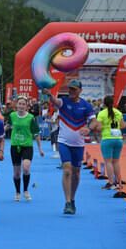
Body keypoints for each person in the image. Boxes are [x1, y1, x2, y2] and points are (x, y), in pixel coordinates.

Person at [43, 79, 97, 214]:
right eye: (70, 89)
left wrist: (89, 129)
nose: (71, 91)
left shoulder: (86, 105)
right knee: (67, 170)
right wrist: (49, 95)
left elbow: (94, 121)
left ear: (80, 91)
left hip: (78, 144)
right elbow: (55, 101)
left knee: (76, 173)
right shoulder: (64, 102)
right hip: (64, 142)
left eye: (74, 89)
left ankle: (72, 199)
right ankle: (67, 202)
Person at [7, 95, 44, 201]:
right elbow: (7, 126)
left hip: (27, 146)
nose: (21, 106)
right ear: (16, 105)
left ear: (27, 106)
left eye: (24, 104)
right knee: (17, 173)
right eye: (20, 104)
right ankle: (17, 192)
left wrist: (40, 148)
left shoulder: (31, 118)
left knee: (26, 168)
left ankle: (26, 190)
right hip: (15, 146)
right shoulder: (12, 115)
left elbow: (36, 134)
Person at [96, 96, 125, 190]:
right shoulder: (118, 112)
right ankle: (118, 182)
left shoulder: (101, 113)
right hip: (118, 138)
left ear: (104, 103)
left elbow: (99, 128)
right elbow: (123, 126)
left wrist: (102, 127)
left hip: (107, 138)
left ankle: (111, 182)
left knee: (108, 161)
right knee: (116, 161)